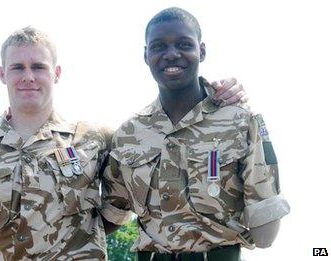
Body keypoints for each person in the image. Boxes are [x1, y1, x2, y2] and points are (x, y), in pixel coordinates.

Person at [0, 27, 246, 260]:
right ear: (2, 74)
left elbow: (162, 130)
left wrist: (212, 94)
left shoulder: (96, 140)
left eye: (38, 66)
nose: (28, 76)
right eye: (18, 67)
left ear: (56, 73)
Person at [101, 7, 290, 261]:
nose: (171, 54)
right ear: (145, 55)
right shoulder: (128, 134)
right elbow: (112, 215)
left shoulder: (240, 121)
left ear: (201, 50)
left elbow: (265, 232)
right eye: (158, 47)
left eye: (183, 44)